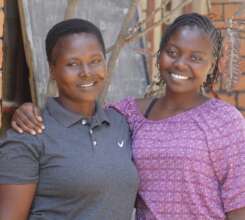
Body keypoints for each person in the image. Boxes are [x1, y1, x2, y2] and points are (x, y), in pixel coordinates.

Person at [10, 13, 245, 220]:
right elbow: (77, 112)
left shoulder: (224, 121)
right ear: (159, 53)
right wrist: (26, 110)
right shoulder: (127, 115)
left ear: (212, 64)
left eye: (196, 57)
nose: (181, 64)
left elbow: (240, 203)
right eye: (172, 52)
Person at [0, 18, 139, 220]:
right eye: (72, 64)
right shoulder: (30, 134)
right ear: (52, 69)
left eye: (95, 61)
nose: (86, 72)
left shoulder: (120, 124)